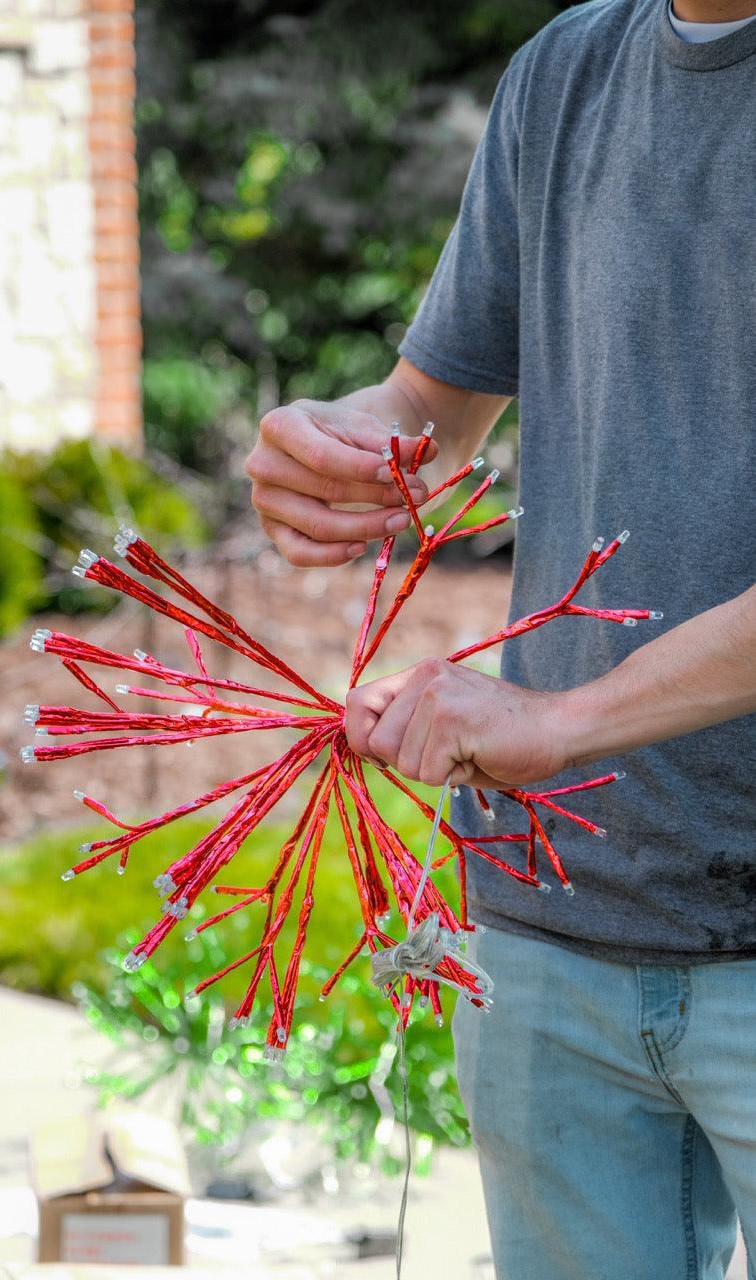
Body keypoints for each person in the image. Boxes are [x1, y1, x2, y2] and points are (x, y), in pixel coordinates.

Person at [246, 0, 756, 1276]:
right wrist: (342, 449)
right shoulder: (568, 71)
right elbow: (431, 405)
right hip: (547, 940)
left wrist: (557, 721)